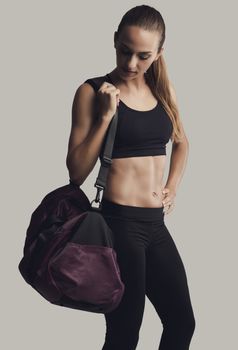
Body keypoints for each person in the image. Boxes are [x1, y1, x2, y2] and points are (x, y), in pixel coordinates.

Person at [66, 4, 196, 350]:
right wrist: (106, 117)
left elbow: (182, 141)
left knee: (182, 323)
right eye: (125, 51)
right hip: (118, 224)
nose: (132, 64)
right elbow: (76, 172)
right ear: (114, 41)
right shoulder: (92, 91)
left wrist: (172, 186)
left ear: (159, 53)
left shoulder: (161, 91)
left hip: (155, 226)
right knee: (125, 333)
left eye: (143, 55)